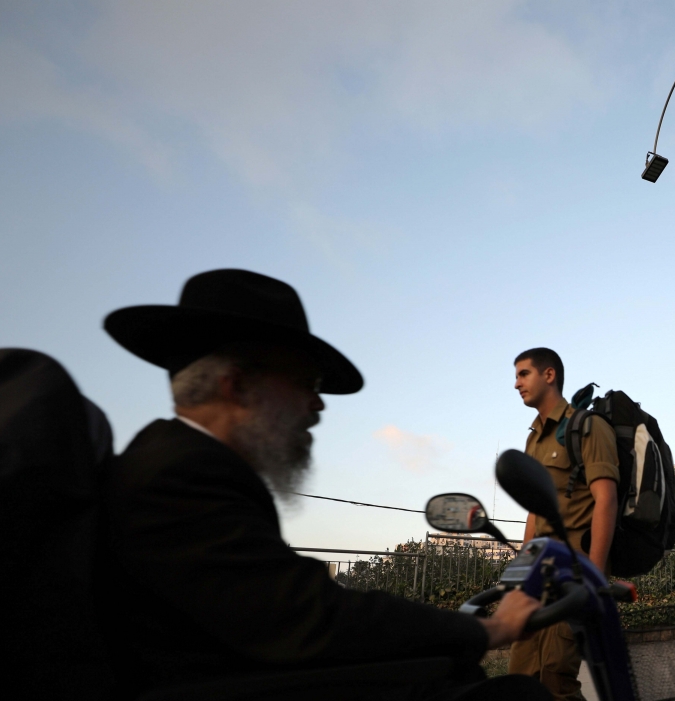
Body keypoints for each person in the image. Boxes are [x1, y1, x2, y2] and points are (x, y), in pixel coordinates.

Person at [96, 268, 548, 701]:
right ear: (236, 385)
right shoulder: (180, 474)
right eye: (305, 382)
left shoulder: (179, 464)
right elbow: (307, 616)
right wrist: (488, 630)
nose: (317, 405)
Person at [508, 348, 619, 701]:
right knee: (522, 679)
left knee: (556, 681)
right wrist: (521, 572)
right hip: (537, 578)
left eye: (524, 374)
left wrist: (594, 581)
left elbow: (606, 499)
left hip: (573, 577)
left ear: (549, 375)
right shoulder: (533, 438)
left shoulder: (587, 426)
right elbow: (533, 511)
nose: (516, 384)